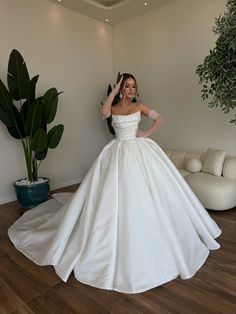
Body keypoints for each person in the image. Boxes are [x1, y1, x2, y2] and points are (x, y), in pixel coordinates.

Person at [8, 73, 221, 294]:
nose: (130, 90)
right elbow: (103, 112)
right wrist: (114, 89)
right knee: (109, 196)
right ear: (121, 89)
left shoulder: (140, 106)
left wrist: (146, 133)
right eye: (127, 86)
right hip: (116, 152)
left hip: (139, 151)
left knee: (146, 195)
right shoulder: (114, 108)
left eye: (133, 87)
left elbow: (160, 119)